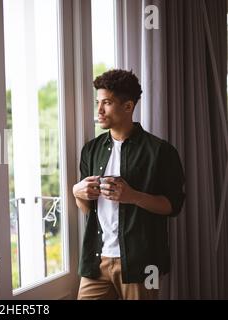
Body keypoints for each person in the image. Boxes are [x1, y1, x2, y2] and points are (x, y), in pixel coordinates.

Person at [73, 69, 185, 300]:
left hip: (142, 263)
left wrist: (132, 196)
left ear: (128, 106)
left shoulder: (161, 151)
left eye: (107, 103)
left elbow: (173, 207)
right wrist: (78, 192)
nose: (99, 110)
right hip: (96, 261)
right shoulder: (91, 150)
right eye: (98, 102)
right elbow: (88, 211)